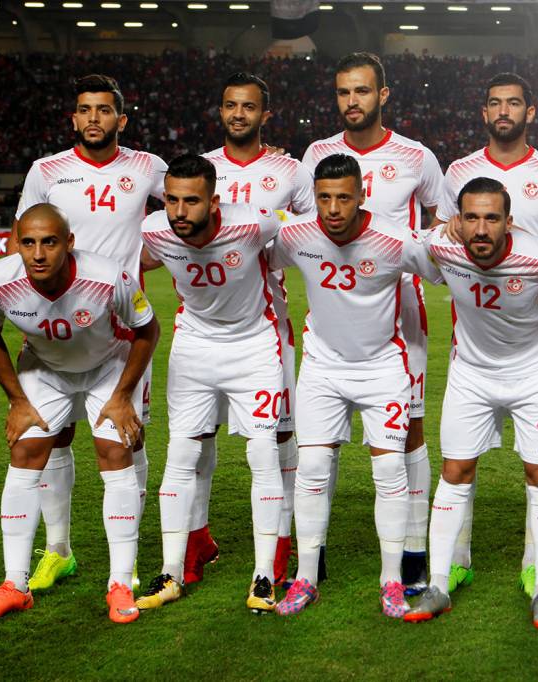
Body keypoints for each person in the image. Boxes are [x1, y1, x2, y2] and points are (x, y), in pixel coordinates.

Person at [0, 204, 159, 623]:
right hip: (45, 370)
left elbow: (147, 330)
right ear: (17, 242)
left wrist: (124, 394)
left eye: (49, 242)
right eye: (29, 242)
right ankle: (14, 584)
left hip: (108, 367)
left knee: (113, 450)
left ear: (69, 243)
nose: (38, 254)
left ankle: (121, 582)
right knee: (25, 452)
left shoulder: (108, 277)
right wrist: (18, 400)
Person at [269, 154, 442, 617]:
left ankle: (390, 581)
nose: (332, 208)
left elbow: (442, 269)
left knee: (388, 474)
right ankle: (305, 579)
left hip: (383, 369)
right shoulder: (296, 233)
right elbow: (257, 254)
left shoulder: (393, 238)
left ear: (362, 195)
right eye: (324, 197)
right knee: (312, 469)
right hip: (322, 369)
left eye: (343, 197)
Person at [13, 74, 167, 593]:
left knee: (124, 438)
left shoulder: (147, 167)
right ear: (74, 118)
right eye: (85, 110)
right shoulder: (47, 171)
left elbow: (196, 202)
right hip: (56, 331)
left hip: (121, 333)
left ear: (121, 120)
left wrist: (152, 259)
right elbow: (24, 241)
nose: (94, 118)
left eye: (104, 110)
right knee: (55, 436)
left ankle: (125, 564)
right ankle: (58, 551)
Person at [435, 72, 538, 597]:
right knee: (460, 459)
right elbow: (443, 233)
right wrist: (450, 227)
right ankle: (456, 560)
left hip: (531, 329)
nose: (504, 111)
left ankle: (532, 564)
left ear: (530, 111)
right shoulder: (458, 171)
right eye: (495, 102)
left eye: (514, 103)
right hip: (473, 334)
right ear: (484, 112)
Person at [301, 52, 445, 593]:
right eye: (343, 92)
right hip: (339, 313)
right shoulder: (318, 154)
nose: (352, 102)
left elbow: (443, 218)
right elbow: (300, 222)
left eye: (362, 91)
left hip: (402, 316)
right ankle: (314, 555)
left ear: (382, 95)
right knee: (323, 441)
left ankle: (413, 547)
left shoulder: (415, 156)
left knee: (408, 433)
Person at [402, 177, 538, 630]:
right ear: (457, 219)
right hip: (470, 376)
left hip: (535, 376)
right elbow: (383, 239)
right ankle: (437, 585)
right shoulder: (443, 248)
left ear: (509, 222)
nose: (481, 229)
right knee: (455, 472)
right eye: (471, 217)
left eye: (491, 218)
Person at [136, 154, 287, 614]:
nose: (180, 212)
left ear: (214, 201)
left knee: (263, 454)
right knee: (181, 455)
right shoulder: (155, 230)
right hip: (194, 349)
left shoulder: (254, 224)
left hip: (254, 348)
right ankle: (171, 572)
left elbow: (300, 230)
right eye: (172, 201)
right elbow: (134, 263)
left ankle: (263, 576)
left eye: (191, 202)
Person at [198, 72, 315, 588]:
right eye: (230, 106)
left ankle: (282, 540)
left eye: (248, 107)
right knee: (197, 436)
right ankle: (197, 538)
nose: (238, 114)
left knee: (279, 435)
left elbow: (313, 235)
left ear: (265, 114)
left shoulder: (291, 170)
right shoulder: (201, 171)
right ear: (220, 111)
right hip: (203, 324)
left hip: (268, 321)